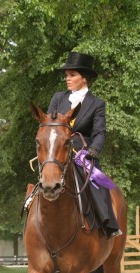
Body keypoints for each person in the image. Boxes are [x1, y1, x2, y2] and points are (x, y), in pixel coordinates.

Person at [48, 51, 122, 239]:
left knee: (100, 184)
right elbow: (49, 124)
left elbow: (99, 133)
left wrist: (93, 151)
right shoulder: (58, 98)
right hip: (58, 152)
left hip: (83, 155)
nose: (67, 79)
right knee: (43, 178)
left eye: (72, 75)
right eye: (66, 75)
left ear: (84, 78)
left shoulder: (97, 104)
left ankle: (108, 223)